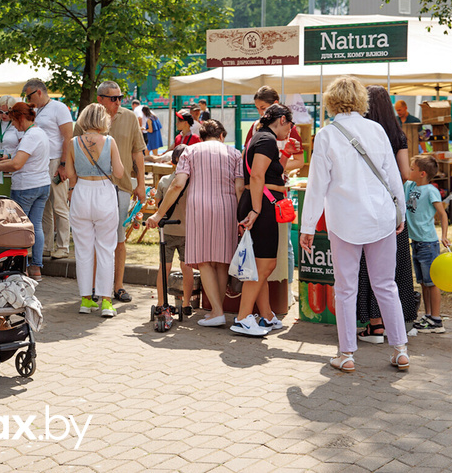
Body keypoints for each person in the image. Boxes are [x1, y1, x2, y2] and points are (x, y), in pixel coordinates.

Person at [300, 76, 409, 374]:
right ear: (362, 99)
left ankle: (346, 353)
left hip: (345, 220)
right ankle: (400, 349)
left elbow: (317, 185)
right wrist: (400, 214)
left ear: (331, 101)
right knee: (386, 285)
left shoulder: (326, 135)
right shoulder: (376, 129)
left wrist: (307, 226)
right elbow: (392, 176)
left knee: (345, 288)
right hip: (381, 217)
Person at [147, 120, 242, 325]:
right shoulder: (235, 153)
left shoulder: (190, 151)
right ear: (222, 136)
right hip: (228, 207)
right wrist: (242, 216)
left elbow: (177, 184)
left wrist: (159, 214)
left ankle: (217, 312)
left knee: (204, 261)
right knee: (222, 261)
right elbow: (240, 188)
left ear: (201, 137)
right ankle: (217, 310)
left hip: (199, 208)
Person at [357, 85, 420, 343]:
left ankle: (375, 325)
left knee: (367, 264)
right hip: (392, 207)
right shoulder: (397, 134)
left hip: (364, 205)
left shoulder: (362, 132)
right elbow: (405, 173)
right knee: (396, 265)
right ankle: (398, 323)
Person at [81, 80, 147, 303]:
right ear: (100, 99)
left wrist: (141, 184)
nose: (118, 102)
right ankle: (92, 287)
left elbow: (138, 152)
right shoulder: (86, 119)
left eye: (120, 97)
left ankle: (118, 286)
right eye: (113, 98)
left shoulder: (129, 117)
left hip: (121, 186)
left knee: (118, 238)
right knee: (93, 239)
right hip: (91, 187)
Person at [233, 104, 295, 336]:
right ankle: (243, 317)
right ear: (282, 119)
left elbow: (265, 174)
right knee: (265, 265)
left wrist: (285, 154)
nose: (290, 129)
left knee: (260, 264)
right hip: (262, 206)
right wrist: (257, 210)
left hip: (260, 204)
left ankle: (266, 315)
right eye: (290, 124)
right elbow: (257, 175)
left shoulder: (260, 138)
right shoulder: (267, 140)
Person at [66, 103, 123, 317]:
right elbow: (119, 172)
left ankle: (85, 299)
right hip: (103, 192)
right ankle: (106, 301)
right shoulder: (109, 141)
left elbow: (70, 173)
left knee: (83, 249)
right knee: (106, 248)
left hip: (81, 192)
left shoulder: (73, 142)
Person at [0, 102, 52, 282]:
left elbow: (17, 164)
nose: (12, 124)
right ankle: (36, 267)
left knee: (18, 228)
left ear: (20, 118)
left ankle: (20, 268)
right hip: (42, 184)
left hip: (26, 186)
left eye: (13, 120)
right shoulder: (40, 133)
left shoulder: (30, 136)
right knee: (36, 226)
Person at [22, 78, 73, 260]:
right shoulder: (38, 110)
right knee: (44, 207)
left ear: (39, 92)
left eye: (29, 96)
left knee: (59, 205)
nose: (28, 100)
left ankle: (63, 246)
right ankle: (46, 245)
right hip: (42, 162)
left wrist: (63, 164)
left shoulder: (59, 108)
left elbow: (68, 137)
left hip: (55, 160)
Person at [147, 145, 194, 316]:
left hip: (166, 231)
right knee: (186, 267)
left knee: (164, 267)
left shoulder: (164, 181)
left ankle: (161, 302)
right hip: (187, 231)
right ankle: (187, 303)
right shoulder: (194, 183)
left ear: (173, 161)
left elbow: (158, 206)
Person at [406, 156, 448, 334]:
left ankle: (436, 320)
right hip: (416, 242)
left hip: (428, 243)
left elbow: (442, 214)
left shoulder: (431, 191)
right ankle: (428, 316)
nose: (409, 171)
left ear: (422, 173)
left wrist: (444, 236)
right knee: (423, 282)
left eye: (412, 168)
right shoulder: (410, 186)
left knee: (432, 283)